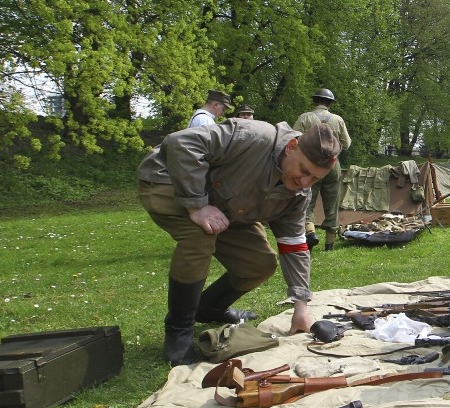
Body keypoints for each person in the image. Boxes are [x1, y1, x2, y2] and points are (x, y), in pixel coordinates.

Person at [137, 120, 341, 366]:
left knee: (260, 264)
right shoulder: (253, 137)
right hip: (168, 180)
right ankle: (179, 329)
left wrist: (301, 308)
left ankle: (209, 308)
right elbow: (180, 143)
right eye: (304, 171)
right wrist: (197, 205)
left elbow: (294, 245)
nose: (305, 183)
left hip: (226, 204)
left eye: (314, 179)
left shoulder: (298, 194)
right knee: (200, 235)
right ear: (291, 147)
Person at [293, 88, 352, 251]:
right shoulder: (338, 119)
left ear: (315, 101)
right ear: (330, 103)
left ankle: (310, 233)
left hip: (310, 165)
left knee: (307, 202)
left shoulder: (305, 118)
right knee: (332, 203)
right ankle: (329, 245)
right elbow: (346, 144)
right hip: (332, 165)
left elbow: (292, 138)